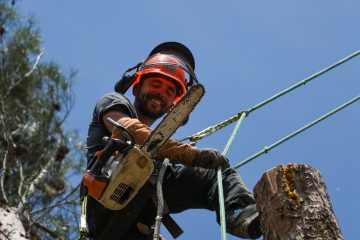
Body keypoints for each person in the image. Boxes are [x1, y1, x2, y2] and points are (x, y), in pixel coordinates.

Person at [83, 42, 262, 239]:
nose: (161, 93)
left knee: (214, 175)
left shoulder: (161, 154)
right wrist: (190, 155)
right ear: (137, 87)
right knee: (142, 153)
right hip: (103, 202)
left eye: (169, 92)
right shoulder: (113, 101)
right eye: (156, 84)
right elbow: (130, 131)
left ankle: (240, 215)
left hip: (137, 219)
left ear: (171, 105)